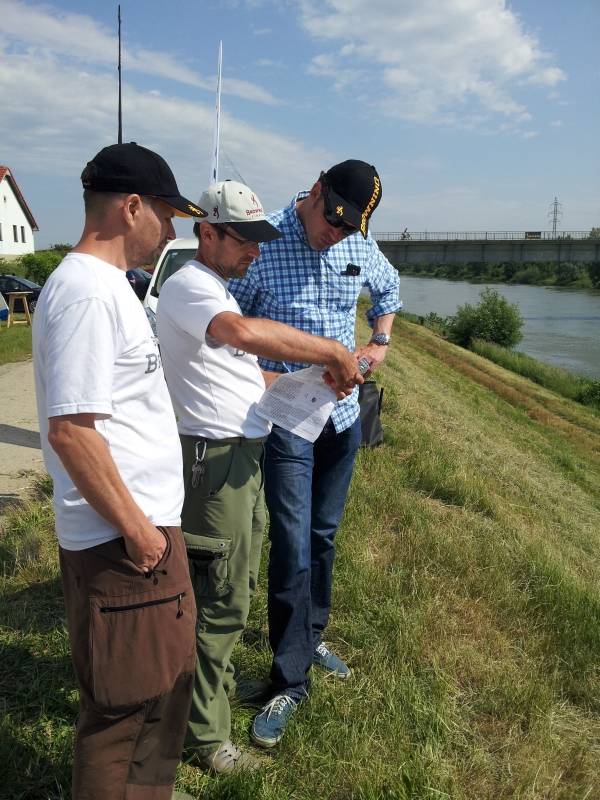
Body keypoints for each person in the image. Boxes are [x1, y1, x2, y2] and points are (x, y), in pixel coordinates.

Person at [156, 180, 362, 774]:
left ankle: (213, 696)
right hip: (214, 463)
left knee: (236, 589)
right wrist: (330, 353)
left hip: (240, 457)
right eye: (243, 239)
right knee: (217, 598)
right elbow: (244, 335)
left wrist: (307, 385)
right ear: (207, 232)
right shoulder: (192, 287)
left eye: (260, 240)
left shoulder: (218, 290)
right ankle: (203, 736)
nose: (255, 250)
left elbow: (242, 373)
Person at [32, 142, 206, 800]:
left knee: (159, 692)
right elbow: (73, 433)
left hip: (137, 533)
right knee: (124, 713)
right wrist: (140, 534)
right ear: (132, 207)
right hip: (123, 542)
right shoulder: (86, 293)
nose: (171, 229)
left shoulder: (104, 287)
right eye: (167, 214)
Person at [228, 159, 401, 748]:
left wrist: (378, 344)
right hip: (288, 424)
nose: (335, 233)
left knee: (323, 536)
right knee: (293, 545)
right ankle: (289, 679)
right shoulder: (265, 242)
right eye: (333, 219)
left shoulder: (356, 243)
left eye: (349, 228)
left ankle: (312, 633)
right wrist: (264, 376)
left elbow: (388, 289)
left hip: (343, 421)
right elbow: (227, 326)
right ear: (316, 189)